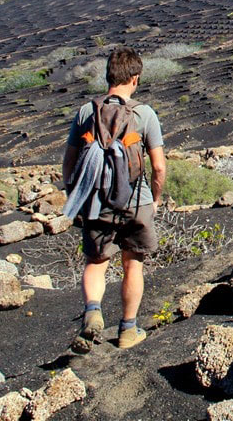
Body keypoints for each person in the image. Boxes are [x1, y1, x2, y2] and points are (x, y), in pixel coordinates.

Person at [62, 46, 166, 352]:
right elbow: (158, 166)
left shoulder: (86, 113)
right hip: (136, 202)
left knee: (96, 262)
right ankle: (127, 330)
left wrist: (74, 195)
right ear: (135, 78)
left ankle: (93, 311)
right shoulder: (143, 114)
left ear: (108, 76)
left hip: (96, 201)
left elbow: (68, 163)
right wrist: (155, 198)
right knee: (133, 264)